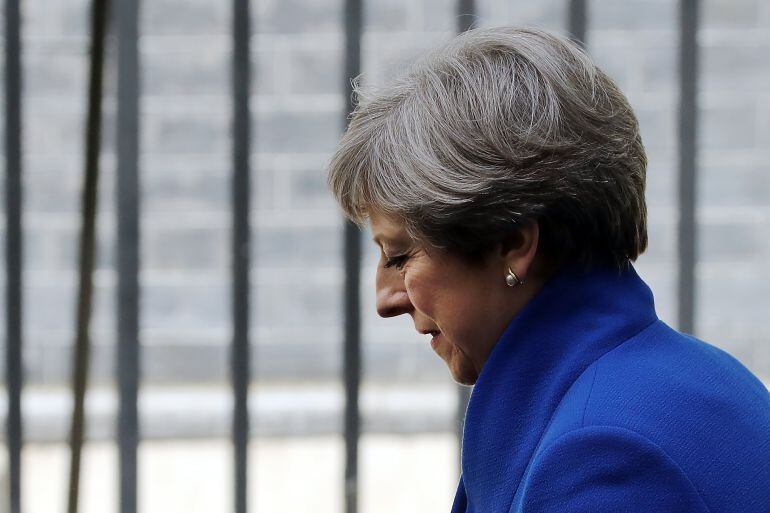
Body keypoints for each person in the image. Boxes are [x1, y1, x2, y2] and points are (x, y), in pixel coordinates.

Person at [327, 27, 770, 512]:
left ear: (513, 243)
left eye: (399, 256)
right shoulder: (698, 379)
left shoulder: (598, 456)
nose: (385, 299)